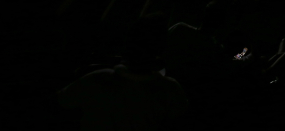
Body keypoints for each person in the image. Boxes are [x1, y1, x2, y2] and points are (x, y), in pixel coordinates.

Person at [57, 14, 187, 130]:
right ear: (161, 48)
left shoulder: (97, 78)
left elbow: (62, 103)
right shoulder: (170, 90)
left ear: (128, 43)